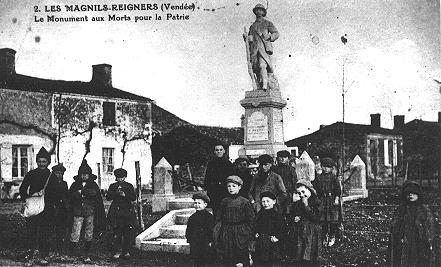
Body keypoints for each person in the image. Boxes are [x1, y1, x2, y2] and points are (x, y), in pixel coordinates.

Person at [389, 180, 435, 267]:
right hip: (403, 242)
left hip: (418, 243)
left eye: (413, 193)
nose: (410, 195)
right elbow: (394, 227)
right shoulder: (400, 210)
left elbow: (429, 230)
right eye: (408, 193)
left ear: (418, 195)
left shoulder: (424, 211)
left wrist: (427, 241)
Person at [19, 147, 52, 265]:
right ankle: (29, 255)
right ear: (36, 162)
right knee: (31, 231)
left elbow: (56, 191)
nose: (41, 164)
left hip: (46, 208)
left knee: (45, 232)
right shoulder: (31, 174)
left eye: (44, 161)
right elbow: (22, 189)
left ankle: (43, 256)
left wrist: (47, 196)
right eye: (39, 161)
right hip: (33, 207)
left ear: (48, 162)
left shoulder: (51, 175)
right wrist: (27, 199)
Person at [68, 159, 106, 264]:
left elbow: (95, 194)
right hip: (78, 212)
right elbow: (70, 195)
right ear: (79, 175)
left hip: (90, 212)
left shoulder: (93, 185)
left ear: (89, 175)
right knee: (75, 232)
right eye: (82, 174)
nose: (84, 176)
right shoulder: (75, 185)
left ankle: (86, 253)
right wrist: (77, 194)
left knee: (89, 233)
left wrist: (83, 192)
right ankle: (72, 253)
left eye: (86, 174)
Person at [213, 175, 255, 266]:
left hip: (240, 233)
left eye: (234, 186)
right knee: (227, 257)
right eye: (229, 186)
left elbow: (251, 220)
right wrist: (219, 232)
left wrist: (246, 232)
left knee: (240, 258)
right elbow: (218, 218)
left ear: (239, 187)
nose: (231, 188)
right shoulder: (224, 201)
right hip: (226, 232)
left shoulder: (245, 202)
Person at [286, 179, 322, 266]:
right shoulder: (298, 203)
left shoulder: (317, 202)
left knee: (310, 252)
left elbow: (315, 218)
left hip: (312, 232)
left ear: (309, 189)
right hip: (300, 231)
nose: (302, 195)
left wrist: (306, 205)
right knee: (300, 252)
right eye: (299, 193)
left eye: (303, 191)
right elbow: (291, 214)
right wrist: (295, 218)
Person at [245, 4, 280, 90]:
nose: (258, 12)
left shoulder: (267, 23)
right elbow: (250, 38)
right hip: (254, 49)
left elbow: (276, 33)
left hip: (264, 48)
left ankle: (265, 83)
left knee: (262, 65)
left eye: (260, 10)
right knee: (256, 68)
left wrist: (270, 37)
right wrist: (247, 38)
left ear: (264, 12)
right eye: (257, 10)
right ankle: (259, 85)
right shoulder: (252, 26)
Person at [106, 168, 137, 260]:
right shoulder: (113, 186)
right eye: (118, 178)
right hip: (116, 211)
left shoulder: (129, 186)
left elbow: (133, 198)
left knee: (127, 231)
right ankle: (117, 251)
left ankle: (126, 251)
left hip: (127, 211)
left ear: (125, 177)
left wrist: (125, 195)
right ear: (116, 177)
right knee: (117, 232)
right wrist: (116, 193)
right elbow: (108, 197)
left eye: (122, 177)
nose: (120, 179)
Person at [312, 157, 341, 247]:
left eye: (328, 167)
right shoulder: (319, 177)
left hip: (331, 200)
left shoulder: (334, 177)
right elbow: (315, 189)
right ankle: (325, 236)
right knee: (323, 220)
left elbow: (338, 190)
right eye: (324, 166)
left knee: (332, 220)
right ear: (321, 166)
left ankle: (332, 236)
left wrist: (336, 199)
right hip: (322, 200)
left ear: (331, 168)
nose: (326, 168)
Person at [253, 191, 285, 266]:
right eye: (263, 201)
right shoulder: (260, 214)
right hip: (261, 243)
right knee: (260, 262)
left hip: (272, 244)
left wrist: (277, 237)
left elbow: (282, 229)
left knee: (272, 262)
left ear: (274, 202)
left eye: (268, 201)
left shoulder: (277, 215)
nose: (265, 203)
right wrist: (256, 233)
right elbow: (255, 225)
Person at [44, 163, 69, 258]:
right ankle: (49, 251)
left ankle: (60, 251)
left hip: (62, 211)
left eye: (61, 173)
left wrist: (66, 205)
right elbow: (48, 196)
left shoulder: (64, 184)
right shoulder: (49, 184)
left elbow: (66, 196)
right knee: (50, 231)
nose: (59, 175)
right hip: (51, 210)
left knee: (60, 231)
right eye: (57, 173)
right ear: (53, 173)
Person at [204, 144, 234, 216]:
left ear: (224, 151)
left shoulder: (228, 163)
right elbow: (207, 176)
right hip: (214, 190)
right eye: (217, 150)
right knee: (216, 209)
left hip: (225, 190)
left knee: (225, 209)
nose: (219, 151)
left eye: (221, 150)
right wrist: (206, 187)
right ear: (214, 152)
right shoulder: (211, 163)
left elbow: (231, 177)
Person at [186, 192, 214, 267]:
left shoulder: (209, 217)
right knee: (196, 261)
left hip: (205, 243)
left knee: (206, 261)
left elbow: (211, 230)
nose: (197, 205)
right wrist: (190, 239)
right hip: (195, 243)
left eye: (199, 203)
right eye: (195, 203)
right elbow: (189, 230)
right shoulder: (192, 217)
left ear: (205, 204)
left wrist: (211, 241)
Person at [273, 150, 298, 215]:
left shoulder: (291, 169)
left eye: (285, 157)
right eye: (281, 157)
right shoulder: (275, 169)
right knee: (278, 212)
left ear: (288, 158)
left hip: (288, 194)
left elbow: (294, 181)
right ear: (278, 158)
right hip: (277, 194)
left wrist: (294, 192)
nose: (283, 159)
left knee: (288, 212)